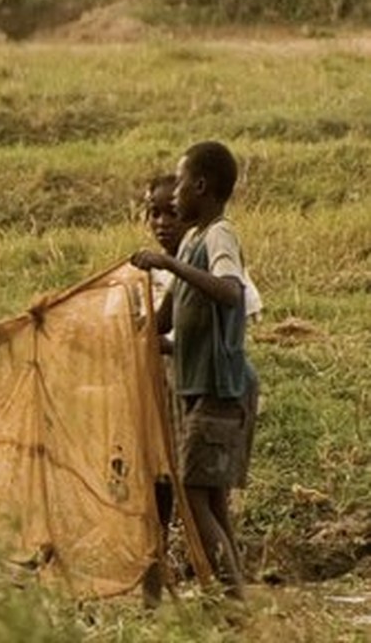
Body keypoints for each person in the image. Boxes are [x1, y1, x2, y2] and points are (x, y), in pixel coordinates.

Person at [130, 141, 260, 603]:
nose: (176, 193)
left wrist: (168, 264)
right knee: (213, 499)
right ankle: (238, 600)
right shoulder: (191, 240)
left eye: (181, 183)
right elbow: (165, 322)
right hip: (197, 389)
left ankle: (232, 603)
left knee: (193, 495)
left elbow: (230, 293)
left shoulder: (219, 235)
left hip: (219, 390)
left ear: (200, 187)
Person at [139, 173, 183, 608]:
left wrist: (160, 342)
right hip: (152, 405)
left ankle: (224, 595)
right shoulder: (141, 276)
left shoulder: (197, 266)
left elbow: (228, 327)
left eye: (171, 212)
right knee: (156, 500)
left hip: (191, 399)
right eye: (154, 212)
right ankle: (153, 596)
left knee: (201, 500)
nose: (161, 221)